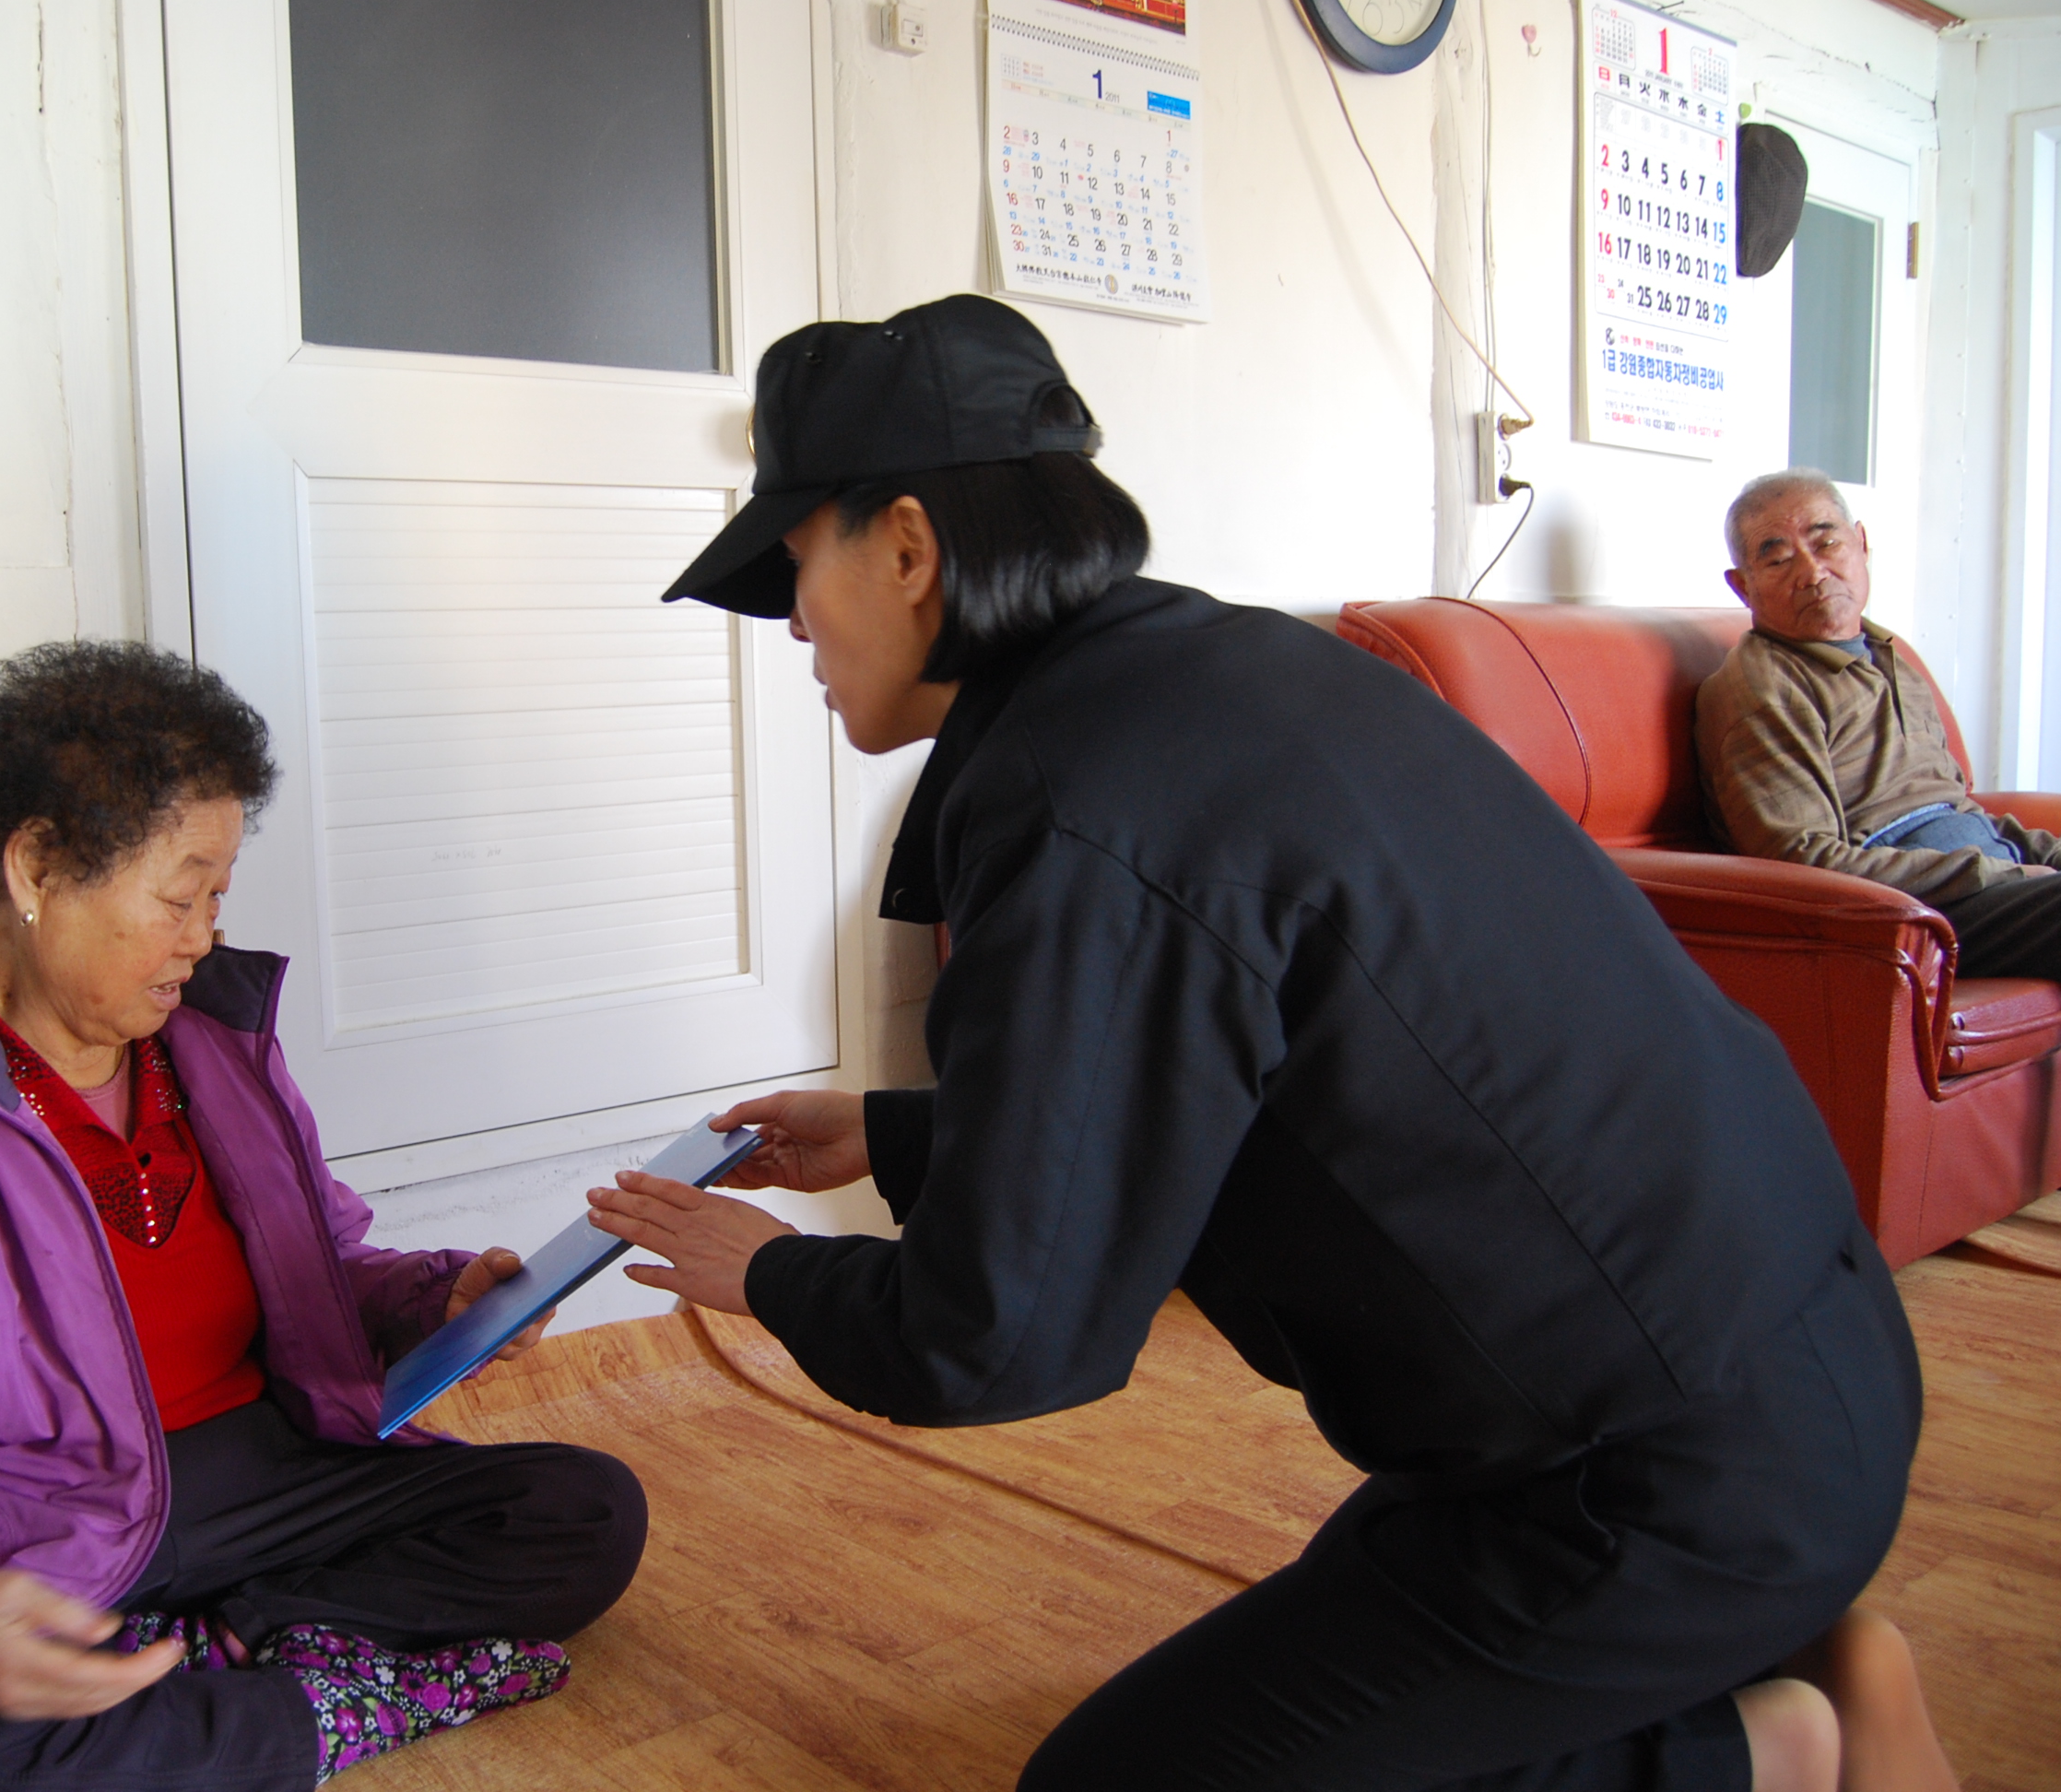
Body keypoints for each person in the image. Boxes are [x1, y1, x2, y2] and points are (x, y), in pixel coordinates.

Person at [584, 295, 1959, 1792]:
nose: (794, 622)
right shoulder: (1210, 673)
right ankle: (1791, 1657)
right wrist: (894, 1132)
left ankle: (1765, 1746)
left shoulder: (1073, 800)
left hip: (1661, 1479)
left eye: (799, 563)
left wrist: (764, 1270)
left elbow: (999, 1334)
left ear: (909, 547)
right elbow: (1212, 1089)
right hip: (1792, 1365)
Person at [0, 643, 645, 1792]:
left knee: (581, 1513)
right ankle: (309, 1702)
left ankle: (197, 1675)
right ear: (36, 866)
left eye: (218, 899)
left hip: (258, 1479)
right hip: (22, 1539)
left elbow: (320, 1265)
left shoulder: (210, 1045)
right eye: (178, 898)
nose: (203, 938)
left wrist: (435, 1301)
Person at [1697, 466, 2061, 974]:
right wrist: (1995, 874)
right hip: (1915, 915)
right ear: (1743, 586)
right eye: (1778, 559)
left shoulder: (1890, 655)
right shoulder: (1762, 689)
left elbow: (1960, 810)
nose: (1812, 572)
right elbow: (1804, 863)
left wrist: (2044, 858)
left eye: (1826, 544)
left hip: (1991, 882)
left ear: (1861, 544)